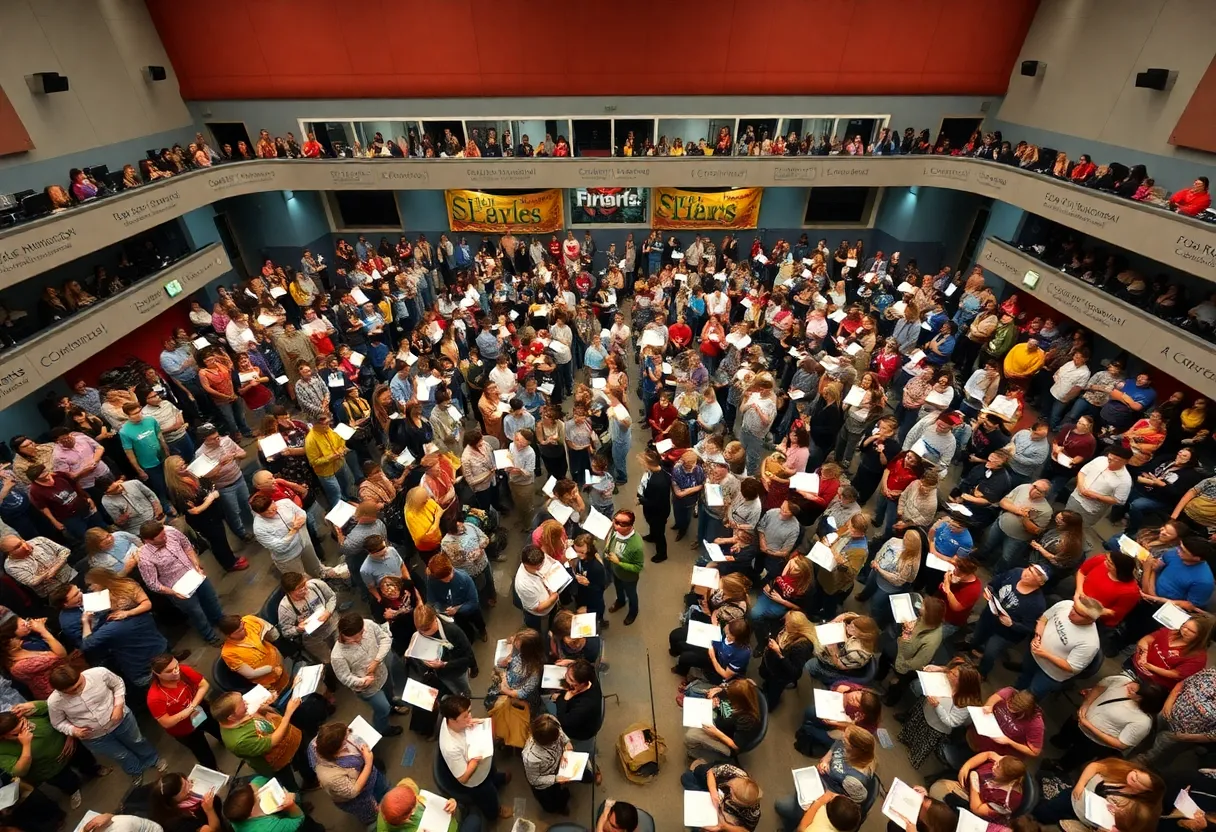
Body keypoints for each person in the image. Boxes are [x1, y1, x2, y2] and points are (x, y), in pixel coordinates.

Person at [47, 665, 164, 782]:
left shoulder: (99, 673)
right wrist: (73, 731)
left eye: (80, 685)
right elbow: (58, 722)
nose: (78, 691)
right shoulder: (54, 702)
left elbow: (118, 684)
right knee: (120, 755)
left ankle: (152, 760)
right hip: (95, 737)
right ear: (60, 691)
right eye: (72, 691)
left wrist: (118, 705)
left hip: (122, 721)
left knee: (137, 741)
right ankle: (135, 771)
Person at [0, 699, 109, 809]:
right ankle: (74, 791)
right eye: (17, 733)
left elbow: (55, 708)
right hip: (50, 769)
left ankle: (94, 770)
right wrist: (26, 745)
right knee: (66, 782)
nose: (25, 730)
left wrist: (69, 735)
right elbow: (19, 771)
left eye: (24, 724)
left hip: (70, 747)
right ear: (4, 737)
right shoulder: (2, 749)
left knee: (86, 761)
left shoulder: (30, 715)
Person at [1049, 675, 1167, 772]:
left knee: (1074, 757)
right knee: (1064, 736)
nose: (1130, 687)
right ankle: (1061, 742)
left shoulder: (1143, 722)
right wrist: (1085, 706)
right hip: (1079, 721)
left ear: (1143, 700)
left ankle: (1059, 767)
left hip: (1093, 741)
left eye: (1135, 691)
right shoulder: (1123, 681)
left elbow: (1121, 744)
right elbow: (1100, 687)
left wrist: (1089, 725)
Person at [138, 520, 226, 645]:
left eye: (164, 534)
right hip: (178, 588)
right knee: (197, 613)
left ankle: (221, 622)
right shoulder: (145, 559)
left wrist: (196, 562)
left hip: (195, 575)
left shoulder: (170, 531)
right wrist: (173, 593)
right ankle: (210, 636)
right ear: (148, 540)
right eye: (161, 537)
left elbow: (186, 546)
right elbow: (152, 583)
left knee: (211, 600)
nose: (165, 537)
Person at [214, 690, 316, 791]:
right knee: (288, 785)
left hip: (289, 744)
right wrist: (288, 713)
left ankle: (309, 781)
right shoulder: (239, 741)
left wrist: (264, 706)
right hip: (275, 762)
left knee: (300, 760)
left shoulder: (234, 716)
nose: (246, 703)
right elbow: (272, 742)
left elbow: (255, 714)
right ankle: (296, 802)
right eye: (242, 703)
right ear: (231, 717)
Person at [437, 693, 514, 820]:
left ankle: (497, 779)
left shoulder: (452, 721)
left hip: (478, 758)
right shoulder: (450, 747)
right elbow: (463, 778)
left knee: (492, 772)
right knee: (489, 796)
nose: (470, 717)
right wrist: (474, 761)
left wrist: (468, 722)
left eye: (469, 712)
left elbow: (465, 722)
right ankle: (495, 812)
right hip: (474, 779)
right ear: (452, 720)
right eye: (465, 716)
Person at [966, 565, 1049, 679]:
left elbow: (1029, 628)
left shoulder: (1037, 604)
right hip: (989, 616)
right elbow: (996, 581)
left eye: (1033, 575)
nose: (1026, 574)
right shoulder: (1015, 572)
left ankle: (982, 674)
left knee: (990, 653)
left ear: (1040, 583)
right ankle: (974, 650)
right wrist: (989, 590)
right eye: (1029, 569)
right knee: (978, 636)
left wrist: (1012, 624)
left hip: (1005, 633)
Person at [332, 613, 408, 737]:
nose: (361, 638)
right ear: (343, 635)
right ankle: (383, 729)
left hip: (383, 673)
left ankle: (392, 707)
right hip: (368, 689)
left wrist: (376, 661)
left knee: (390, 695)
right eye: (355, 639)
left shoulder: (368, 624)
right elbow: (344, 677)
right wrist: (362, 681)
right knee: (382, 709)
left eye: (362, 633)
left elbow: (385, 639)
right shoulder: (338, 655)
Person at [1015, 596, 1103, 698]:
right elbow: (1044, 618)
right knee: (1023, 678)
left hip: (1050, 674)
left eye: (1078, 613)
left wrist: (1044, 654)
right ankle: (1011, 698)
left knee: (1031, 696)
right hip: (1034, 656)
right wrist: (1038, 636)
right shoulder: (1066, 605)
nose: (1072, 612)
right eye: (1074, 607)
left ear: (1090, 620)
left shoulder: (1090, 643)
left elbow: (1072, 667)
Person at [146, 654, 224, 769]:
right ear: (157, 674)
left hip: (200, 710)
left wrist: (192, 705)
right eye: (169, 671)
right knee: (202, 752)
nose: (176, 671)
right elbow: (166, 722)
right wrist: (188, 712)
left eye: (177, 666)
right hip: (184, 729)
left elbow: (204, 685)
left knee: (217, 728)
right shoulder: (155, 697)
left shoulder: (184, 671)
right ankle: (214, 770)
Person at [309, 721, 388, 826]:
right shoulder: (330, 777)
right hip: (361, 797)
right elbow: (353, 791)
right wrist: (368, 763)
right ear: (336, 750)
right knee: (374, 816)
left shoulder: (319, 741)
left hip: (373, 777)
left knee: (385, 792)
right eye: (346, 739)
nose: (350, 737)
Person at [929, 751, 1026, 820]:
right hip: (968, 787)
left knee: (936, 792)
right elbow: (988, 754)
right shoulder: (1004, 763)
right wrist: (967, 766)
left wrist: (973, 780)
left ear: (1005, 777)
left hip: (973, 801)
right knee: (938, 788)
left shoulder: (1006, 801)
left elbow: (976, 809)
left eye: (998, 767)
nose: (994, 764)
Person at [250, 492, 322, 578]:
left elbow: (302, 513)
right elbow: (279, 546)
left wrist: (301, 519)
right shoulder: (259, 528)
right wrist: (293, 530)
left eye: (272, 507)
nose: (272, 511)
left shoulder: (286, 503)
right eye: (267, 512)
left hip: (304, 543)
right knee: (300, 580)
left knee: (317, 569)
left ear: (273, 501)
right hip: (288, 557)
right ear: (259, 514)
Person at [679, 760, 763, 831]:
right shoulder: (732, 772)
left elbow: (746, 830)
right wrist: (713, 791)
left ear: (742, 803)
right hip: (713, 797)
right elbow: (710, 772)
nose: (729, 788)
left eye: (732, 793)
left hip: (722, 820)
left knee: (697, 826)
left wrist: (723, 826)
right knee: (686, 778)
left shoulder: (753, 813)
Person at [605, 510, 644, 625]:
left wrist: (619, 563)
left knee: (631, 594)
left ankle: (633, 611)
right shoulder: (615, 531)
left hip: (628, 577)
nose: (616, 526)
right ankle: (620, 601)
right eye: (615, 521)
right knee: (618, 588)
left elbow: (638, 567)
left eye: (621, 524)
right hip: (616, 571)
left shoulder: (636, 545)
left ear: (630, 526)